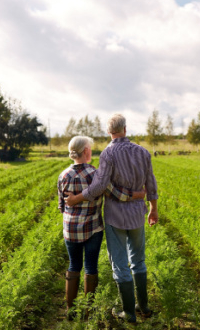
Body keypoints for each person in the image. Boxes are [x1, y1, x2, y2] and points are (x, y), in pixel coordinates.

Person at [66, 114, 159, 323]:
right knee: (138, 260)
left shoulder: (108, 153)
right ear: (125, 129)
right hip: (137, 215)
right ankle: (143, 307)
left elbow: (100, 186)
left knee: (119, 264)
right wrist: (153, 209)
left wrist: (77, 198)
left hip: (115, 216)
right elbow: (151, 184)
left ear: (109, 132)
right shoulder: (143, 152)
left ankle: (129, 312)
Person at [57, 135, 145, 320]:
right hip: (92, 229)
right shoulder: (96, 174)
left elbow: (61, 206)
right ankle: (88, 311)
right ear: (87, 151)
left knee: (73, 265)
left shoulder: (63, 175)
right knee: (90, 267)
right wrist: (137, 194)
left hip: (70, 229)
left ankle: (70, 311)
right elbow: (115, 193)